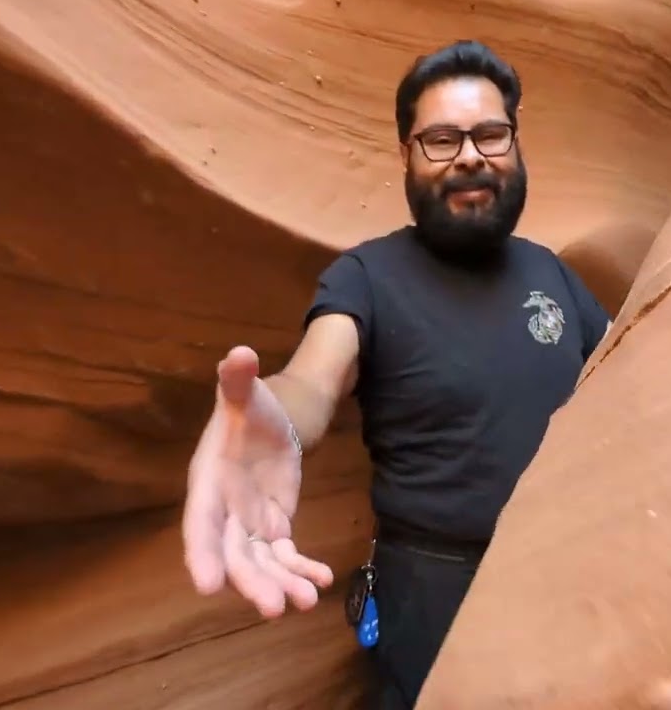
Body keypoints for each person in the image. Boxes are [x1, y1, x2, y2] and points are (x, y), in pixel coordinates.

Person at [181, 39, 612, 708]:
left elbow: (630, 372)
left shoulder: (551, 272)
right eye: (441, 140)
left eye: (490, 134)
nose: (470, 155)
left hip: (568, 577)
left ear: (515, 144)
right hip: (433, 596)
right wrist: (276, 419)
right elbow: (313, 380)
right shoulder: (367, 277)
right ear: (405, 156)